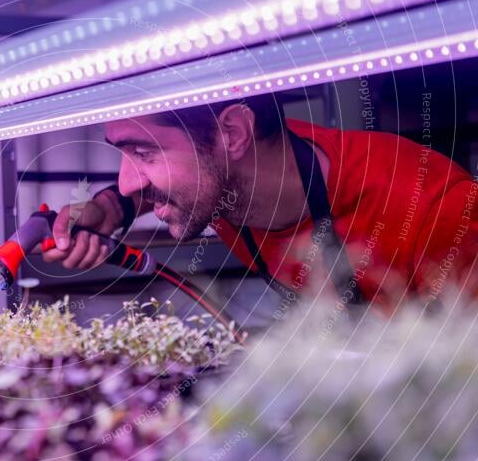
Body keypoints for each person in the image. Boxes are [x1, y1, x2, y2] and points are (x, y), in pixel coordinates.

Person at [42, 94, 478, 309]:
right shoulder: (224, 180)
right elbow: (139, 190)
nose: (128, 181)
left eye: (142, 152)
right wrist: (108, 209)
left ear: (232, 133)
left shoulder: (437, 209)